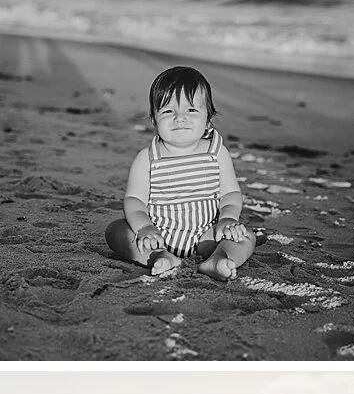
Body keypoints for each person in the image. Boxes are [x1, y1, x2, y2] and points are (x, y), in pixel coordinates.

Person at [105, 66, 255, 281]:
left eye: (191, 110)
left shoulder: (216, 153)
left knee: (245, 236)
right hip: (158, 235)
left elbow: (230, 193)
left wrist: (228, 219)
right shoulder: (147, 158)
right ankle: (161, 256)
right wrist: (145, 228)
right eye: (168, 111)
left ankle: (218, 258)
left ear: (208, 120)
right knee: (116, 231)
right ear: (154, 120)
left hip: (206, 236)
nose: (180, 118)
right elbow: (134, 199)